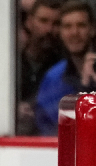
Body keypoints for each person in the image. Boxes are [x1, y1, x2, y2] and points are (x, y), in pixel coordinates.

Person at [35, 1, 96, 135]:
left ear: (92, 30)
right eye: (67, 26)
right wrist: (84, 86)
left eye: (81, 25)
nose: (74, 32)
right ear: (60, 32)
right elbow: (47, 127)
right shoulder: (53, 77)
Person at [17, 0, 63, 136]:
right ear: (29, 22)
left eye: (55, 24)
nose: (49, 29)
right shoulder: (11, 65)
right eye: (43, 21)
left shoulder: (65, 67)